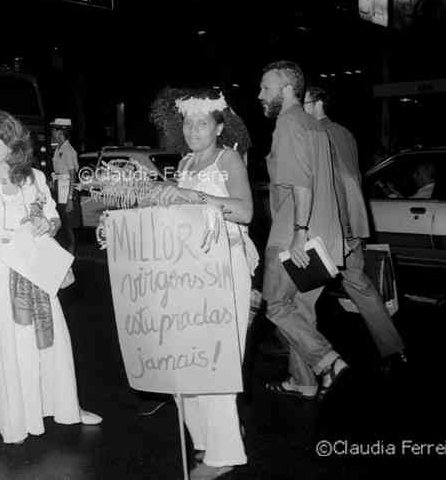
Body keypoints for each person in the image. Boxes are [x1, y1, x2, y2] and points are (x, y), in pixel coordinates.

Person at [0, 108, 101, 445]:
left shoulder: (34, 178)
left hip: (35, 270)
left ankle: (62, 404)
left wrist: (47, 225)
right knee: (2, 345)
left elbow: (54, 219)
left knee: (47, 342)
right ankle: (8, 414)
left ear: (14, 142)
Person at [149, 89, 258, 480]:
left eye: (202, 123)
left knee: (215, 362)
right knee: (185, 362)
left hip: (225, 268)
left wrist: (190, 194)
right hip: (190, 271)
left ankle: (225, 454)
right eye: (188, 122)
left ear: (219, 127)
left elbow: (245, 212)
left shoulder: (228, 159)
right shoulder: (185, 162)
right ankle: (209, 439)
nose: (193, 129)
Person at [258, 61, 349, 400]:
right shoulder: (315, 125)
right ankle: (304, 382)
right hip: (324, 238)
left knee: (277, 305)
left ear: (286, 89)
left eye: (265, 87)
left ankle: (329, 361)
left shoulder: (288, 122)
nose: (260, 95)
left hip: (294, 236)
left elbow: (301, 183)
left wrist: (299, 232)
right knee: (300, 313)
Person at [304, 86, 407, 374]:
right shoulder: (345, 133)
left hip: (330, 228)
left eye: (305, 103)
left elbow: (333, 184)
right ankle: (394, 349)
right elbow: (352, 179)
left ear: (318, 103)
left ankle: (307, 365)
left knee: (297, 299)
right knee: (360, 285)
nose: (301, 109)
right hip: (350, 225)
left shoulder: (316, 134)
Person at [50, 118, 79, 255]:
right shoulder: (59, 148)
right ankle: (65, 253)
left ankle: (70, 254)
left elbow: (72, 176)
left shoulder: (68, 150)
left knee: (68, 225)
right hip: (60, 188)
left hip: (66, 190)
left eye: (54, 130)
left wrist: (70, 199)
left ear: (60, 132)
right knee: (63, 223)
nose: (52, 132)